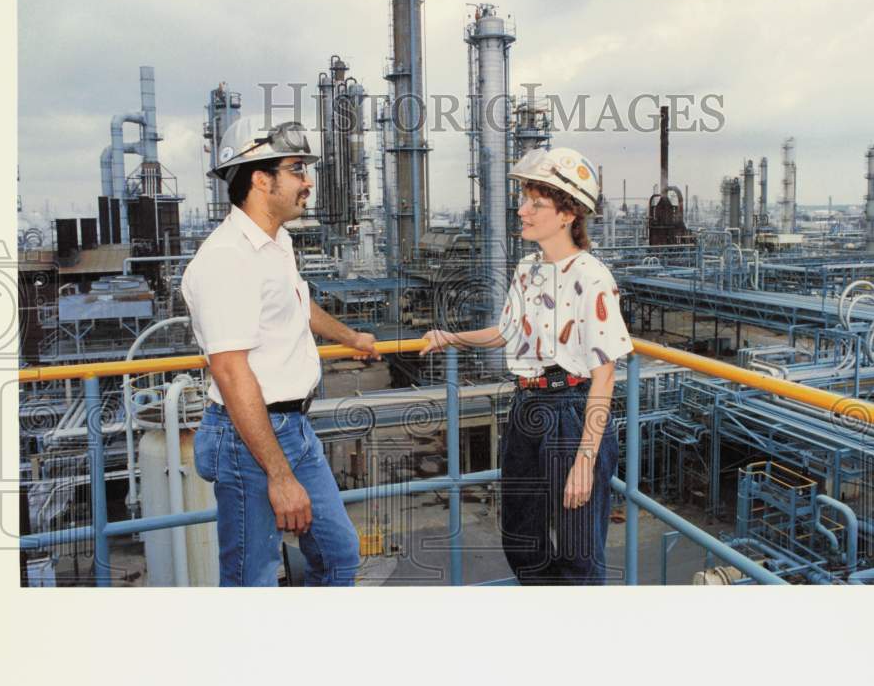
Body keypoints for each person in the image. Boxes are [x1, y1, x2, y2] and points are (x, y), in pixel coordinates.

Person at [182, 115, 379, 587]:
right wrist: (279, 475)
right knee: (253, 579)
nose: (307, 181)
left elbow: (298, 304)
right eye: (296, 169)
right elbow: (231, 373)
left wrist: (350, 338)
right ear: (259, 178)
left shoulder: (277, 242)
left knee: (339, 555)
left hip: (293, 428)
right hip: (249, 438)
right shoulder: (228, 259)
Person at [420, 147, 632, 584]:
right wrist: (449, 337)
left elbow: (604, 375)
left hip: (572, 413)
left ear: (568, 214)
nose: (523, 210)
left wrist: (584, 461)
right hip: (527, 408)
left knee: (577, 551)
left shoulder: (592, 276)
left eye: (537, 203)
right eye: (524, 199)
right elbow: (506, 332)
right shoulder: (527, 268)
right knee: (521, 537)